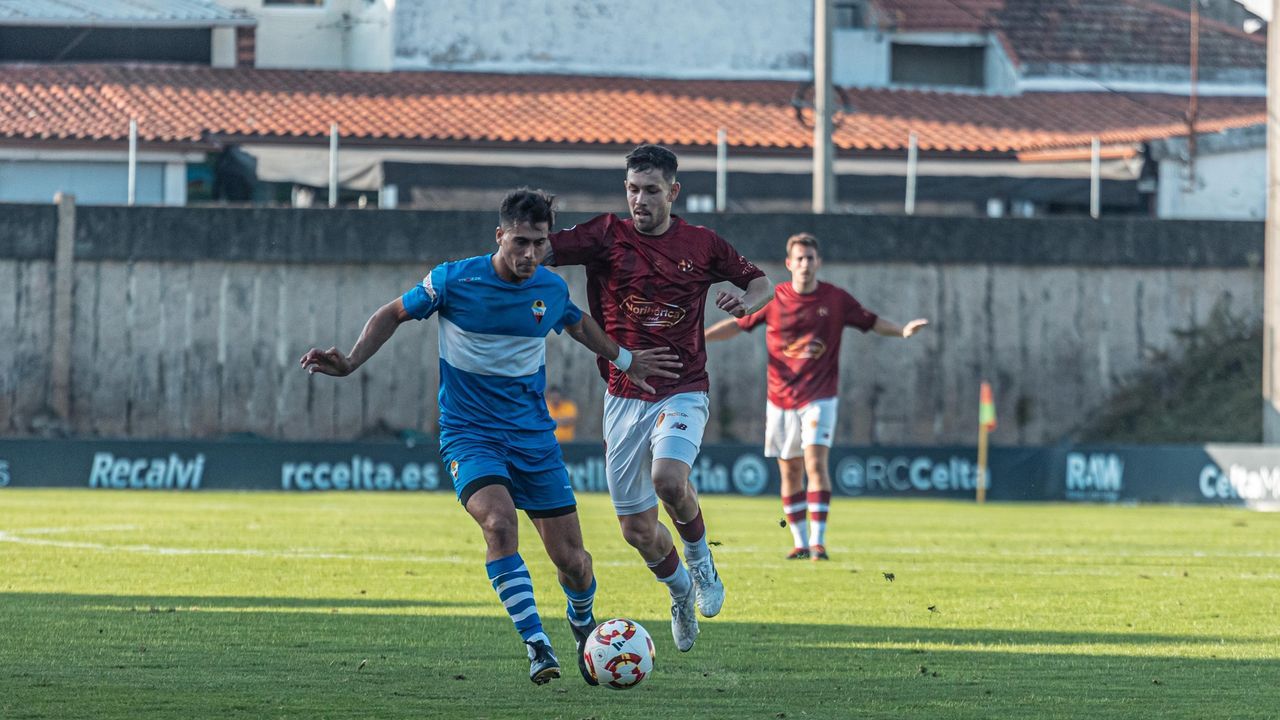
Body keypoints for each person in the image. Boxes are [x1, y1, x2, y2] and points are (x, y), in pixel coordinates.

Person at [299, 189, 679, 685]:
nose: (529, 254)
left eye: (539, 244)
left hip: (533, 439)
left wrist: (626, 359)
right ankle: (537, 644)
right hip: (469, 432)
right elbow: (392, 312)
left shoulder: (549, 289)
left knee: (574, 563)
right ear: (499, 235)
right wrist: (349, 362)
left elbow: (580, 325)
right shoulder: (454, 280)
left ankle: (583, 623)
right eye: (519, 241)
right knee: (499, 524)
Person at [547, 144, 774, 653]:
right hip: (623, 395)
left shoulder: (702, 243)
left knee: (669, 479)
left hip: (684, 387)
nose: (640, 199)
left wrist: (746, 303)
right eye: (632, 189)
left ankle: (702, 561)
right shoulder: (605, 235)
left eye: (651, 190)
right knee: (636, 530)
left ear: (673, 192)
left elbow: (762, 283)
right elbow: (539, 250)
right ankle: (680, 592)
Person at [706, 232, 928, 561]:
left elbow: (871, 321)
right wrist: (698, 338)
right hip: (780, 398)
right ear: (789, 264)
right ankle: (799, 543)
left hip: (820, 396)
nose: (805, 264)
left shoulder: (835, 299)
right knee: (790, 470)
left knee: (815, 461)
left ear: (818, 262)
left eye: (810, 258)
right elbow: (737, 325)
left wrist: (902, 330)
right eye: (799, 259)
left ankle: (818, 542)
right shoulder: (775, 298)